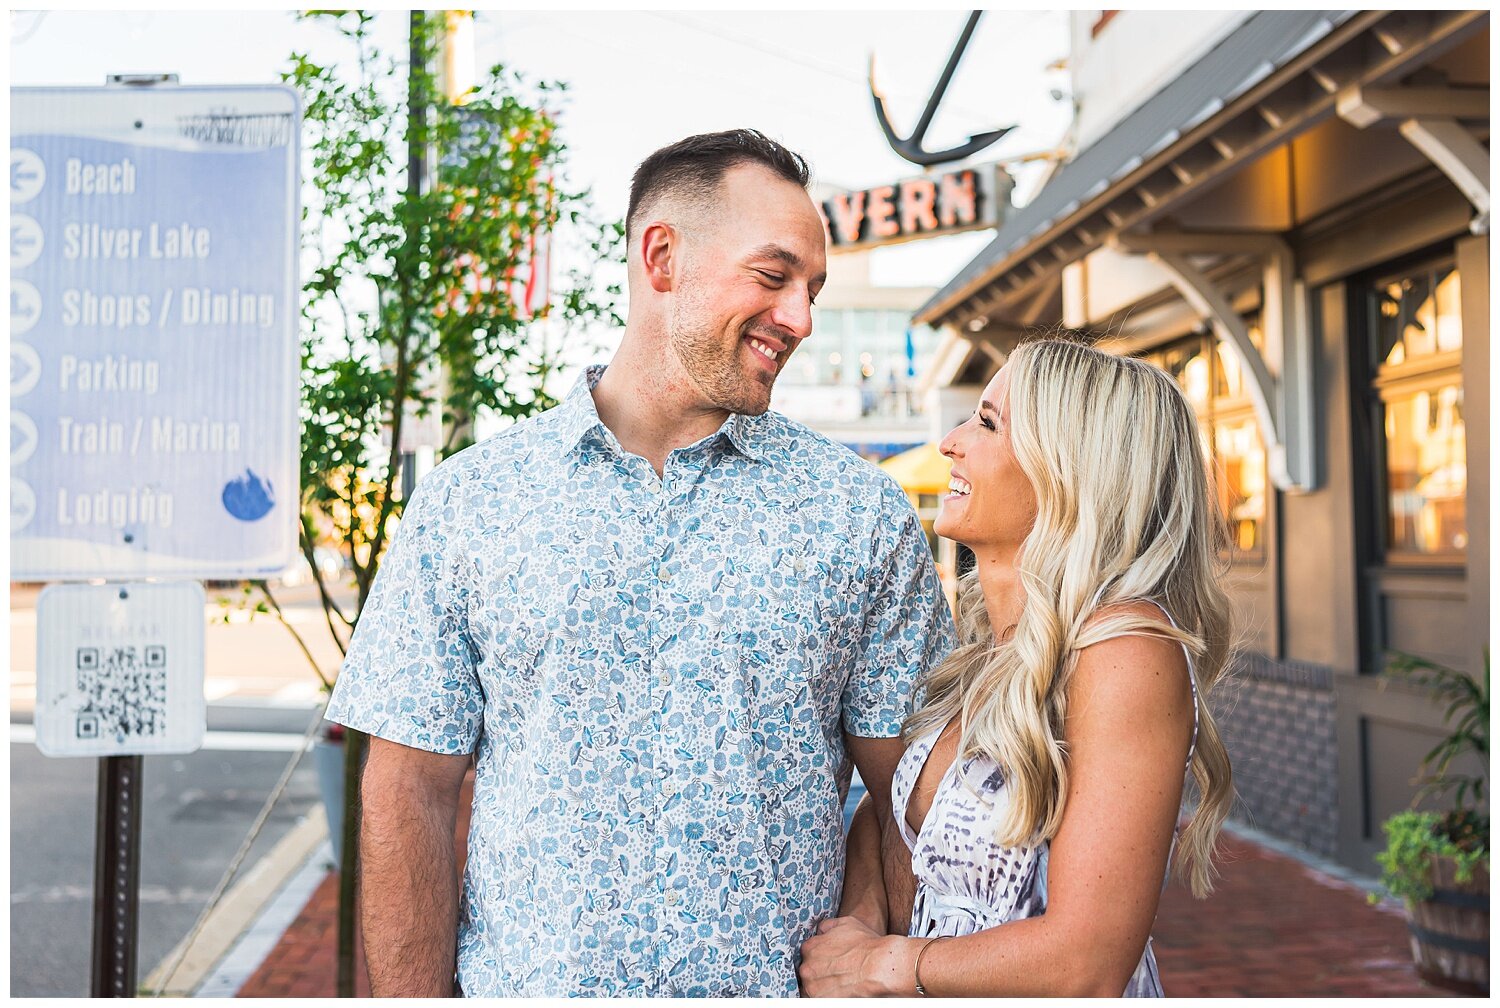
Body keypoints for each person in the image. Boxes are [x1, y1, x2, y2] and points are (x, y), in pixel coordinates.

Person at [325, 128, 955, 997]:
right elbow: (408, 796)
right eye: (774, 278)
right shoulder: (471, 502)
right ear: (662, 257)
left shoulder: (862, 517)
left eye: (811, 290)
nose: (802, 318)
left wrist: (877, 956)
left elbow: (916, 805)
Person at [798, 338, 1235, 997]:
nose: (951, 441)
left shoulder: (1123, 651)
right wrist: (862, 917)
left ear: (1069, 470)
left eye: (987, 423)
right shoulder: (987, 657)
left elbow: (1084, 963)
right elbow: (893, 814)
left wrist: (883, 966)